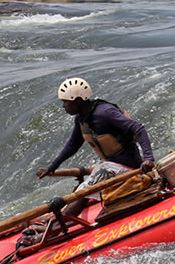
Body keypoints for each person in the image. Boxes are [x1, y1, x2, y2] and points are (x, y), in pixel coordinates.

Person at [35, 77, 156, 218]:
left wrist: (148, 158)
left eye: (66, 102)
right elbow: (72, 145)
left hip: (127, 164)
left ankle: (58, 226)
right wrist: (51, 168)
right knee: (80, 190)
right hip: (110, 164)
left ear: (78, 100)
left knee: (84, 192)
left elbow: (138, 128)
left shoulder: (105, 112)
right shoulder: (81, 118)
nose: (63, 106)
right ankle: (64, 218)